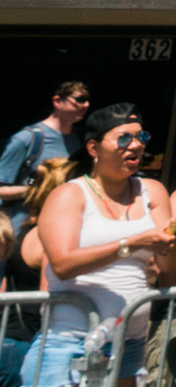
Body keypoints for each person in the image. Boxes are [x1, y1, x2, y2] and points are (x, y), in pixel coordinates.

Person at [33, 104, 176, 387]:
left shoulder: (152, 191)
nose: (135, 145)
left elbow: (170, 273)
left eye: (141, 138)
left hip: (128, 343)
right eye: (124, 139)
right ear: (94, 148)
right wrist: (132, 244)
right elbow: (62, 264)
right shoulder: (69, 194)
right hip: (70, 342)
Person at [3, 162, 73, 387]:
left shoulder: (27, 228)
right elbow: (47, 296)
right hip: (25, 345)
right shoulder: (48, 237)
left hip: (10, 339)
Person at [0, 84, 89, 228]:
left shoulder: (79, 139)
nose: (85, 105)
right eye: (80, 99)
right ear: (57, 101)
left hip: (63, 225)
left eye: (87, 100)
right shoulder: (27, 138)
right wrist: (39, 189)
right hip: (25, 226)